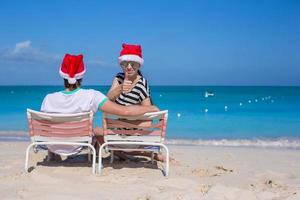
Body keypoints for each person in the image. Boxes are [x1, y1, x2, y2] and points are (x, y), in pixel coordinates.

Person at [41, 53, 159, 160]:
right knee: (95, 132)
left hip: (53, 144)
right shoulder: (92, 96)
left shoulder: (48, 98)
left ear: (62, 75)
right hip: (79, 145)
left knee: (95, 131)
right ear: (82, 76)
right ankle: (97, 158)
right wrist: (151, 108)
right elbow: (125, 111)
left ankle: (53, 154)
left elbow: (44, 127)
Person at [106, 43, 163, 161]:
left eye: (133, 64)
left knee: (146, 123)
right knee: (97, 130)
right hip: (118, 128)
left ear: (139, 65)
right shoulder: (118, 78)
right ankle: (124, 153)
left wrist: (128, 116)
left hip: (133, 129)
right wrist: (120, 88)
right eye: (125, 64)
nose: (129, 67)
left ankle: (124, 153)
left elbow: (147, 116)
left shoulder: (142, 83)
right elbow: (108, 99)